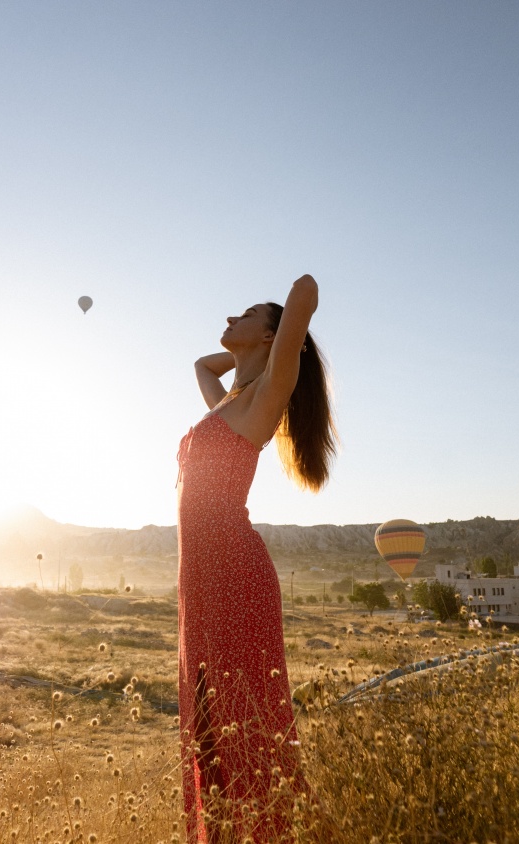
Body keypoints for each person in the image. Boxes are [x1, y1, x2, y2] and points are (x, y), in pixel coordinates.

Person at [177, 275, 338, 843]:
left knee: (245, 718)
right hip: (199, 583)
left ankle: (271, 831)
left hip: (237, 577)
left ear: (272, 336)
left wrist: (275, 344)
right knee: (207, 722)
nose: (229, 316)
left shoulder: (270, 393)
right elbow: (202, 363)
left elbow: (306, 288)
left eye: (244, 313)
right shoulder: (227, 400)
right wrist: (243, 343)